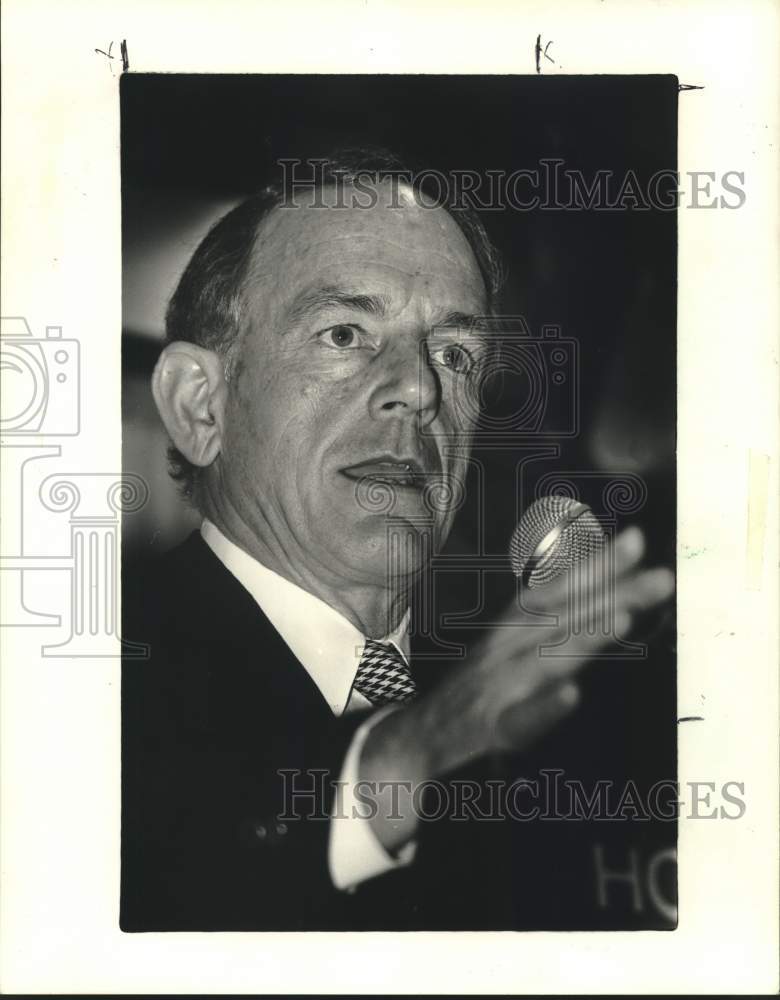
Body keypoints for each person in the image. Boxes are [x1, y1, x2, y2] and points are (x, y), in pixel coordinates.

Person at [120, 151, 674, 931]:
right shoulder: (85, 680)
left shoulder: (533, 700)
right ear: (201, 407)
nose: (420, 388)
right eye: (345, 333)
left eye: (454, 354)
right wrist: (405, 761)